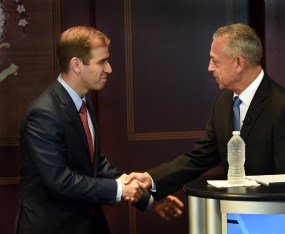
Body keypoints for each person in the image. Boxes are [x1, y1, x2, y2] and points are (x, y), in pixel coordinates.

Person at [14, 26, 183, 234]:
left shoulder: (84, 104)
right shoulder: (42, 114)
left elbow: (96, 165)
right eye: (102, 61)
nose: (109, 68)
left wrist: (147, 200)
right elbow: (60, 180)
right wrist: (121, 189)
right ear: (76, 64)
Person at [125, 23, 285, 200]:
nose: (209, 67)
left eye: (215, 61)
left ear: (238, 63)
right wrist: (151, 178)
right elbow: (200, 158)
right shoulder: (223, 104)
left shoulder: (284, 108)